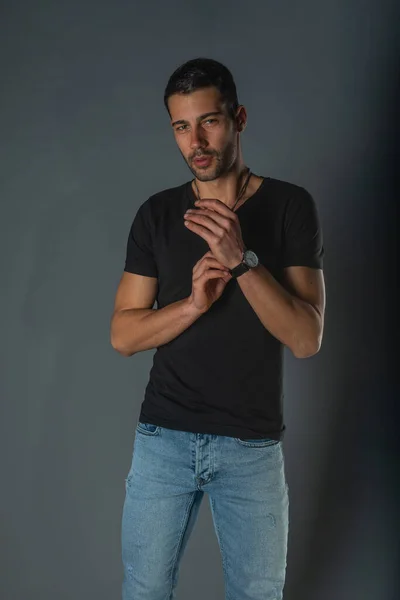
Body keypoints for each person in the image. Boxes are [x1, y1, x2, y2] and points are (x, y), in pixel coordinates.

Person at [111, 57, 326, 600]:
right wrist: (191, 306)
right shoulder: (156, 215)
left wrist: (242, 261)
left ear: (239, 118)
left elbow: (306, 338)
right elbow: (123, 336)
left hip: (251, 447)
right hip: (163, 440)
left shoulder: (288, 207)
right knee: (143, 592)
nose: (195, 140)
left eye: (208, 121)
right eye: (182, 126)